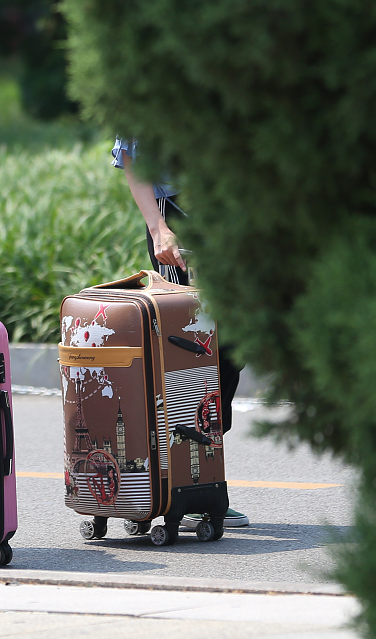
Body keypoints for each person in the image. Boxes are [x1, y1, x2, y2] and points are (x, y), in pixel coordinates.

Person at [112, 138, 250, 528]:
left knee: (232, 349)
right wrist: (158, 229)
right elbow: (131, 156)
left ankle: (201, 482)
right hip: (180, 220)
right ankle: (187, 488)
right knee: (194, 352)